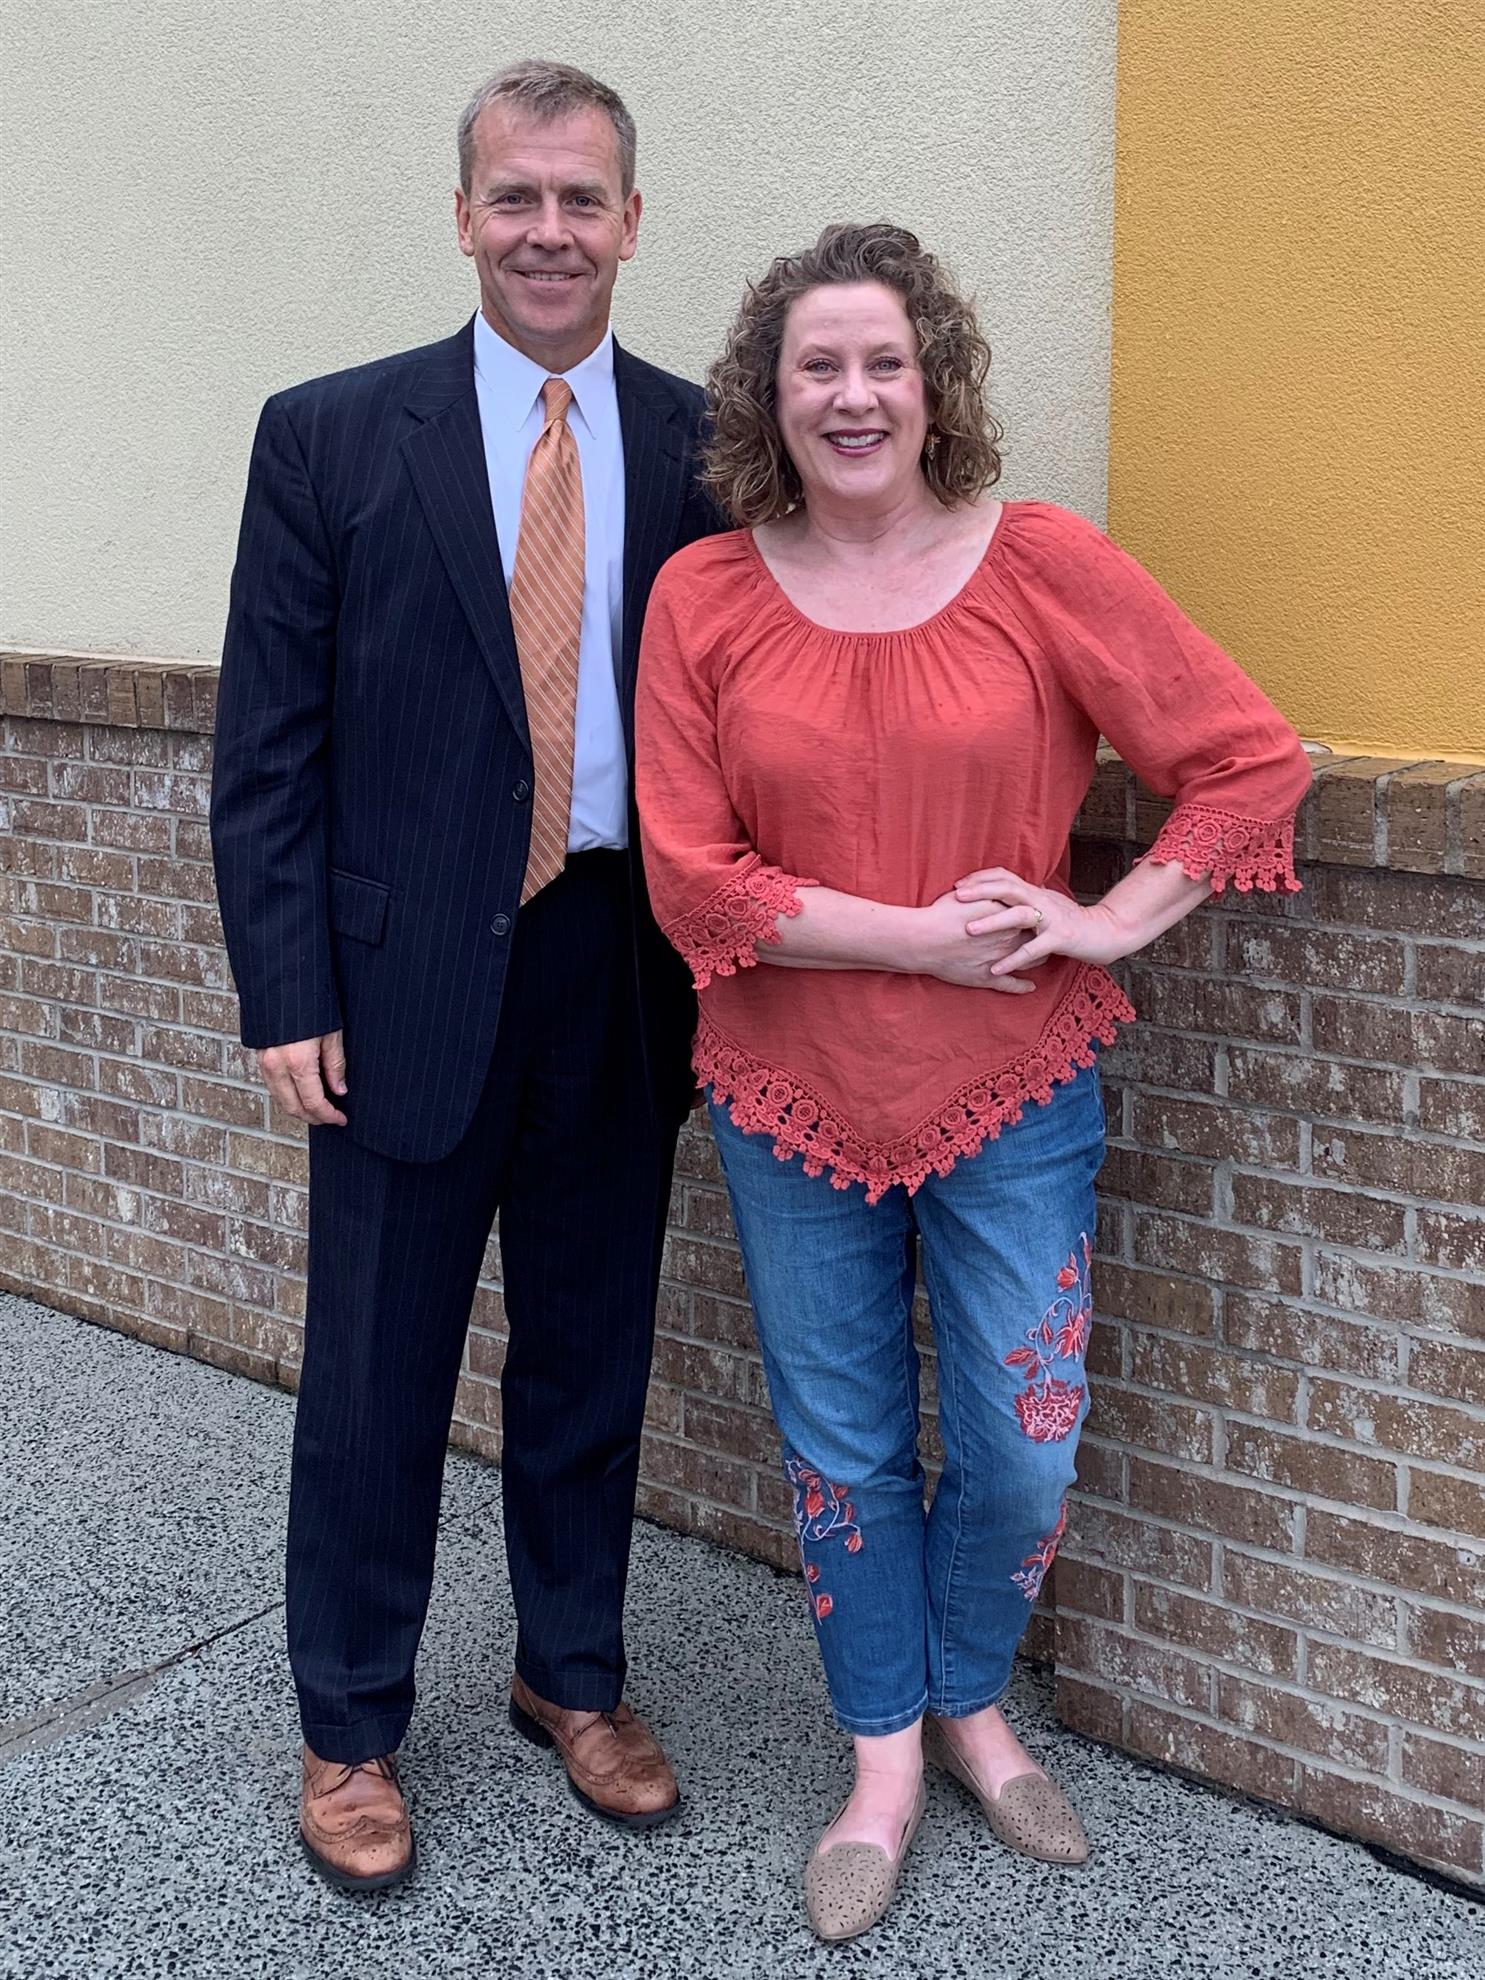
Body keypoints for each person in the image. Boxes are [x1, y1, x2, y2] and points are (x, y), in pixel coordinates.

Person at [636, 221, 1312, 1942]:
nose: (852, 394)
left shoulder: (1040, 564)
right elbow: (693, 882)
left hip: (1013, 1085)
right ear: (769, 397)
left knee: (1021, 1445)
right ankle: (880, 1758)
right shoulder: (702, 594)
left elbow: (1245, 761)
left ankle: (969, 1700)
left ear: (932, 382)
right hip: (786, 1094)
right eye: (817, 366)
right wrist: (919, 943)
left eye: (883, 360)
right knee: (841, 1444)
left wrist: (1105, 921)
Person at [210, 61, 720, 1891]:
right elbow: (267, 743)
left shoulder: (706, 449)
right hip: (399, 973)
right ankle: (349, 1718)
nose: (548, 231)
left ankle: (569, 1674)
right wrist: (286, 989)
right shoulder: (331, 436)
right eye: (517, 196)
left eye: (582, 199)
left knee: (590, 1350)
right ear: (462, 216)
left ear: (631, 222)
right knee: (376, 1368)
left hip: (619, 964)